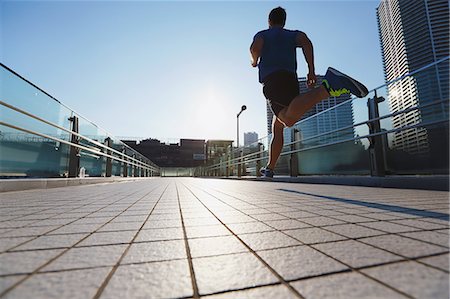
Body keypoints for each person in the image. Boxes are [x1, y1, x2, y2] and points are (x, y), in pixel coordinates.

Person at [250, 6, 368, 178]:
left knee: (288, 119)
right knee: (278, 124)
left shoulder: (263, 34)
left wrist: (254, 61)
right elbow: (306, 41)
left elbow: (255, 48)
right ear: (284, 21)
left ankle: (327, 88)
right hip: (290, 79)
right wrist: (311, 70)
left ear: (269, 21)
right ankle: (270, 168)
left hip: (273, 80)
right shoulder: (292, 34)